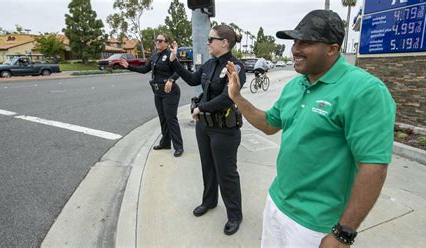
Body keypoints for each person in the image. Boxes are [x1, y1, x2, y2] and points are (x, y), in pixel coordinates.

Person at [225, 9, 396, 247]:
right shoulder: (295, 85)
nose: (295, 49)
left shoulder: (365, 90)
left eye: (305, 42)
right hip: (277, 204)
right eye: (295, 41)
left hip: (315, 226)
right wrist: (236, 97)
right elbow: (268, 124)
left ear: (332, 49)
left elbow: (374, 167)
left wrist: (343, 234)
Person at [169, 24, 246, 235]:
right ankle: (209, 202)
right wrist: (175, 61)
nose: (207, 42)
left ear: (224, 42)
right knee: (207, 167)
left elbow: (227, 97)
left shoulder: (236, 67)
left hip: (224, 130)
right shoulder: (210, 64)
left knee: (227, 173)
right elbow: (193, 79)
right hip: (204, 126)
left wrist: (201, 107)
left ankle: (234, 215)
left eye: (211, 39)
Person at [120, 34, 184, 157]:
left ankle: (178, 146)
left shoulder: (170, 54)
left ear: (166, 43)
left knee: (171, 119)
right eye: (156, 40)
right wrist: (129, 67)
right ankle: (165, 143)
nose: (157, 42)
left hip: (170, 92)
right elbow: (144, 69)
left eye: (160, 40)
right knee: (163, 119)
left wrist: (171, 80)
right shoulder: (155, 56)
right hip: (158, 92)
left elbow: (179, 71)